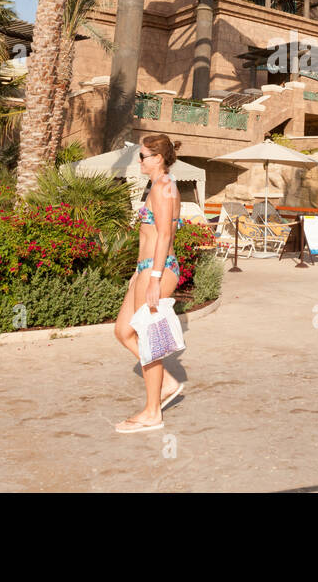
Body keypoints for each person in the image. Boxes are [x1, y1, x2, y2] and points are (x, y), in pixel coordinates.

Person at [113, 134, 185, 433]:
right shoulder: (157, 185)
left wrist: (154, 279)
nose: (139, 161)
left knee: (149, 342)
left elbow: (165, 236)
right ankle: (167, 383)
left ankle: (153, 412)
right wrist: (139, 273)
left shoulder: (164, 186)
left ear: (157, 158)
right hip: (145, 270)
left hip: (159, 270)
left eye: (142, 156)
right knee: (122, 331)